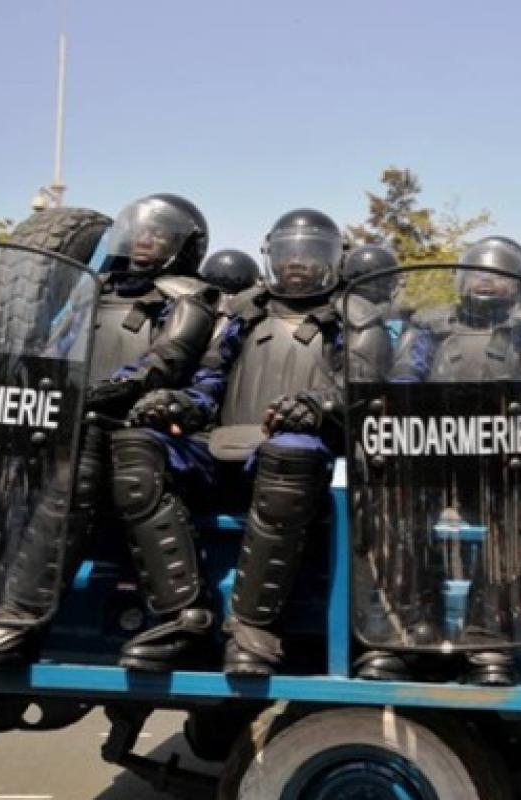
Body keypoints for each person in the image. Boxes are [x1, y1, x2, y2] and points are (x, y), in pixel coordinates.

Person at [116, 209, 391, 674]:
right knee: (138, 446)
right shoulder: (242, 309)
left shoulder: (355, 317)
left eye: (310, 255)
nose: (298, 264)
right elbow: (210, 382)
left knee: (291, 451)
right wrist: (179, 404)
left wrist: (318, 406)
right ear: (272, 256)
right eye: (290, 254)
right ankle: (184, 617)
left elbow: (364, 390)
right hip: (223, 444)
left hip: (306, 454)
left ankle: (253, 629)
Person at [0, 194, 219, 668]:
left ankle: (24, 616)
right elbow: (55, 349)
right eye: (140, 230)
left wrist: (107, 389)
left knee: (86, 447)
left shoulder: (187, 297)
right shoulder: (91, 291)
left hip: (140, 420)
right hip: (69, 414)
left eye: (159, 234)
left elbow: (165, 360)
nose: (144, 239)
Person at [354, 236, 521, 687]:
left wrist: (519, 413)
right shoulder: (432, 326)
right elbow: (404, 375)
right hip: (434, 446)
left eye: (498, 273)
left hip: (501, 451)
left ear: (520, 284)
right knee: (392, 491)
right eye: (478, 272)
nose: (486, 280)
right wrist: (396, 406)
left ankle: (489, 632)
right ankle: (409, 627)